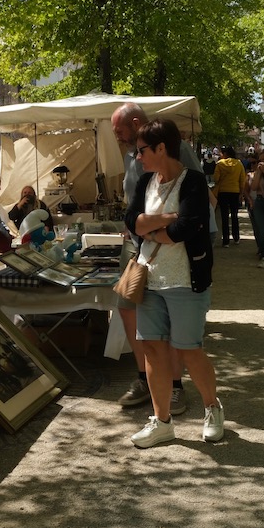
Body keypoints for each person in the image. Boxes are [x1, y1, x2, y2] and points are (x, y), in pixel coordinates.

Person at [124, 118, 222, 448]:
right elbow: (131, 221)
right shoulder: (145, 183)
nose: (137, 157)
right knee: (152, 349)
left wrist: (149, 229)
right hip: (149, 280)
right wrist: (166, 220)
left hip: (185, 280)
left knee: (188, 350)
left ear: (161, 147)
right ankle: (162, 421)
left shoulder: (192, 181)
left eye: (141, 150)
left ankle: (212, 408)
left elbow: (190, 227)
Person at [111, 102, 207, 416]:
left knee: (181, 338)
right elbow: (132, 217)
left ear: (136, 122)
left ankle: (181, 390)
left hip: (179, 258)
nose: (118, 136)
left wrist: (187, 232)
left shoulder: (180, 155)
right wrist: (158, 224)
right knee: (130, 311)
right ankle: (149, 387)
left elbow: (191, 216)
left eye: (120, 129)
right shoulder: (134, 160)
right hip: (142, 252)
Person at [211, 145, 246, 247]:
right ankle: (236, 237)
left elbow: (216, 179)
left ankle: (225, 240)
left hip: (223, 192)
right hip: (235, 191)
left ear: (225, 154)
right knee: (234, 215)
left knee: (224, 216)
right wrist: (241, 193)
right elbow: (242, 180)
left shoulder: (220, 164)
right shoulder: (239, 164)